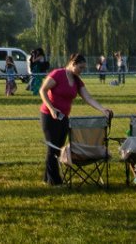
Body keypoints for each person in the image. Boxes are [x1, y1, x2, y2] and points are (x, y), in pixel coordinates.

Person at [38, 51, 113, 186]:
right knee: (53, 148)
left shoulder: (77, 81)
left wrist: (103, 109)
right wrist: (51, 108)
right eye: (80, 67)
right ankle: (55, 182)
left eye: (83, 68)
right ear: (73, 64)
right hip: (49, 116)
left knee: (58, 148)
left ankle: (47, 178)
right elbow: (42, 90)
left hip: (63, 118)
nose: (82, 71)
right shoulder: (58, 74)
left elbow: (88, 98)